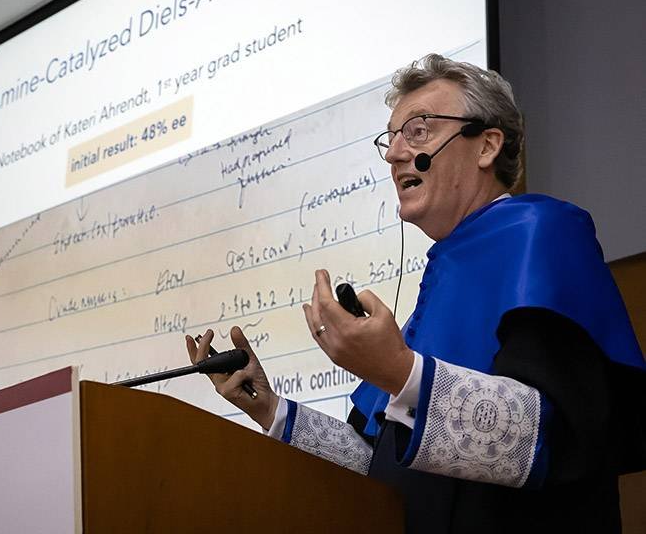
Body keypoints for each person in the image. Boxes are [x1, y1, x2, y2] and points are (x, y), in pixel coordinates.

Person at [186, 54, 646, 533]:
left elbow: (552, 437)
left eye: (419, 131)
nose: (393, 154)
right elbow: (379, 466)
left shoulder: (542, 233)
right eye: (391, 138)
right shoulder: (446, 269)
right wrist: (269, 409)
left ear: (487, 145)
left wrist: (400, 371)